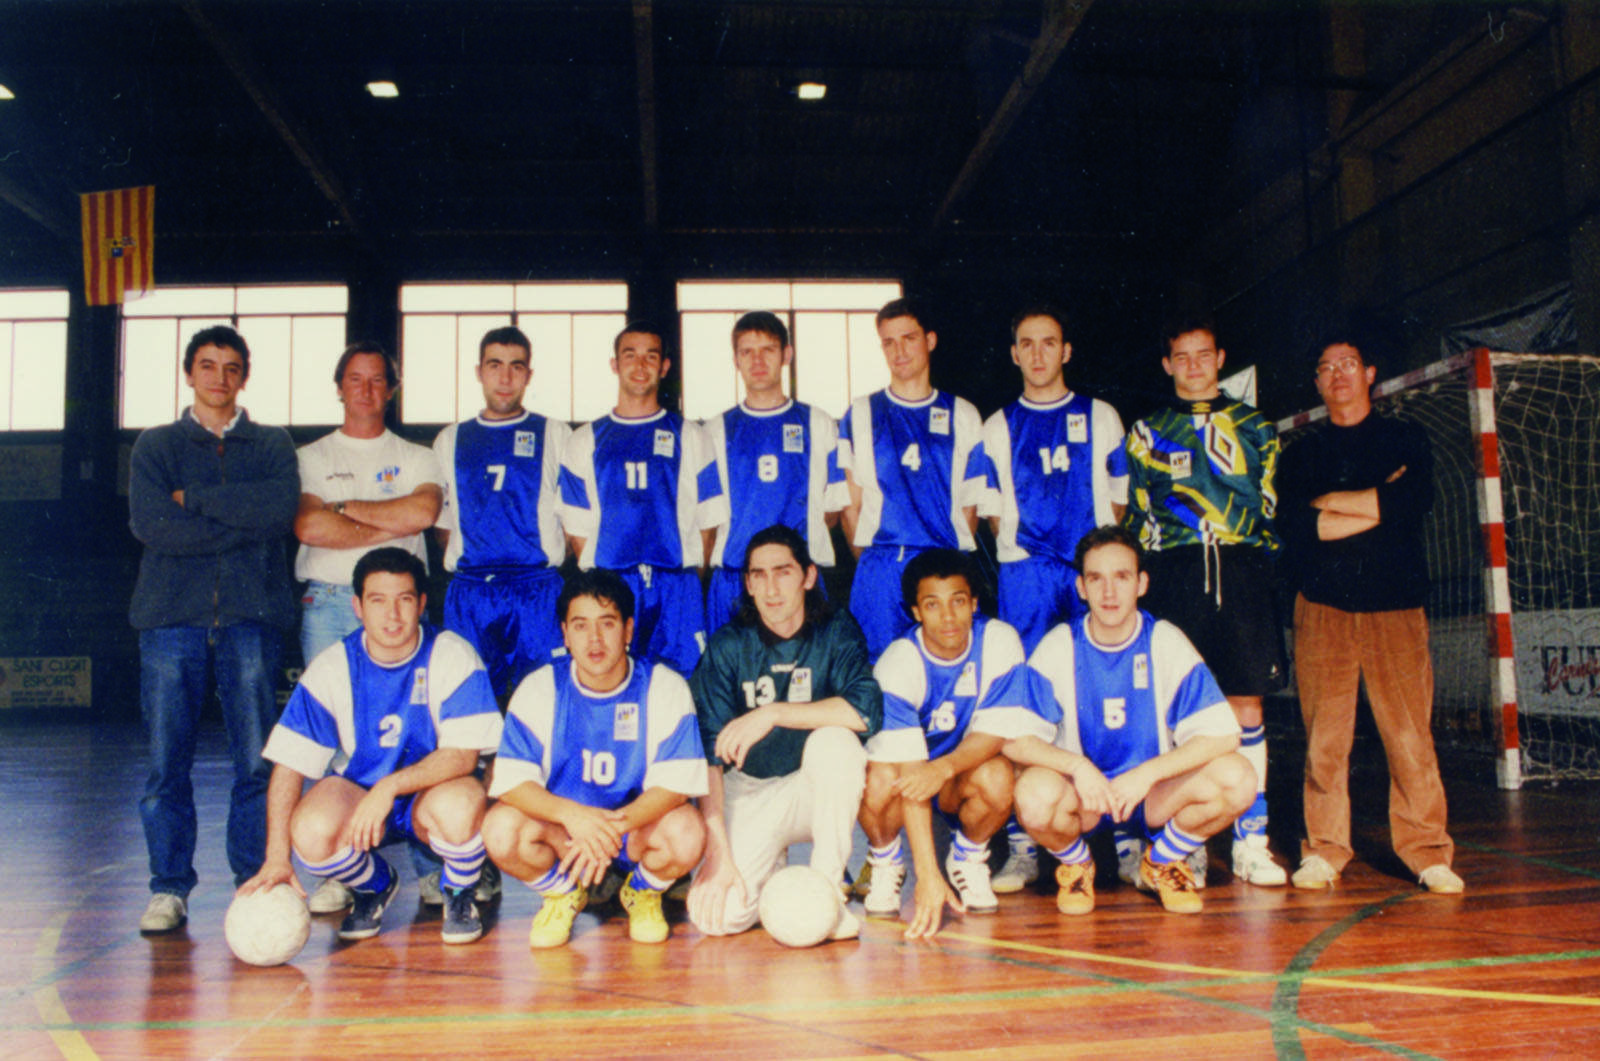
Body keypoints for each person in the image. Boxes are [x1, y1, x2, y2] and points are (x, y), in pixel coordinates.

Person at [238, 548, 503, 945]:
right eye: (378, 601)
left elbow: (463, 756)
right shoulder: (333, 666)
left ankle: (460, 893)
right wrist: (277, 857)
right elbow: (288, 766)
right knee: (309, 830)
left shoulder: (452, 654)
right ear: (357, 606)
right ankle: (374, 886)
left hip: (431, 794)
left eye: (404, 600)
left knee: (463, 807)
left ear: (422, 604)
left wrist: (390, 787)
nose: (392, 616)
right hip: (361, 799)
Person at [128, 325, 299, 933]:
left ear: (244, 376)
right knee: (164, 762)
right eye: (208, 365)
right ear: (189, 373)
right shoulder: (155, 445)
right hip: (171, 624)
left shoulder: (273, 444)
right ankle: (169, 887)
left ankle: (253, 881)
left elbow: (278, 514)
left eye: (231, 367)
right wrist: (239, 520)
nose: (219, 378)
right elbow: (155, 527)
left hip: (251, 623)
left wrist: (193, 498)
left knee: (256, 763)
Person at [1276, 339, 1461, 894]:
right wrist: (1379, 501)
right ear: (1317, 382)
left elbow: (1412, 504)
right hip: (1323, 611)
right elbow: (1301, 528)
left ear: (1370, 373)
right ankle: (1324, 850)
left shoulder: (1405, 438)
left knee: (1409, 737)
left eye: (1349, 364)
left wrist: (1333, 502)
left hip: (1397, 610)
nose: (1338, 374)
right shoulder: (1301, 455)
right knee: (1324, 740)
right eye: (1326, 366)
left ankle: (1427, 851)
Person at [1113, 317, 1287, 888]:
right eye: (1180, 357)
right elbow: (1136, 515)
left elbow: (1268, 506)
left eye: (1202, 355)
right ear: (1167, 365)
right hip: (1175, 574)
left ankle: (1251, 842)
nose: (1192, 366)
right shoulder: (1145, 433)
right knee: (1175, 709)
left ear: (1220, 359)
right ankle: (1176, 843)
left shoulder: (1257, 427)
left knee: (1246, 707)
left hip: (1239, 573)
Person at [1007, 526, 1256, 915]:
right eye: (1096, 579)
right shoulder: (1059, 645)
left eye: (1121, 577)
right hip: (1086, 796)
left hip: (1151, 796)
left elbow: (1223, 736)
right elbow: (1015, 741)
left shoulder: (1165, 641)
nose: (1109, 592)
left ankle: (1161, 861)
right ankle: (1075, 865)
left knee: (1238, 778)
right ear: (1081, 587)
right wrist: (1077, 766)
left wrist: (1146, 774)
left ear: (1141, 583)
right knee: (1032, 795)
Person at [292, 340, 448, 914]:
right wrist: (381, 522)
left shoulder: (417, 455)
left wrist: (343, 512)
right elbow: (309, 526)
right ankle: (339, 865)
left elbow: (422, 515)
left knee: (420, 731)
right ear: (339, 387)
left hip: (398, 604)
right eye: (355, 379)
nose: (366, 389)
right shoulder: (310, 455)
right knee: (328, 736)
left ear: (392, 389)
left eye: (378, 379)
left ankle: (436, 867)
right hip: (330, 602)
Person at [980, 304, 1126, 892]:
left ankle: (1126, 836)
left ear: (1066, 351)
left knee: (1108, 689)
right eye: (1026, 344)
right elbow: (988, 516)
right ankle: (1023, 844)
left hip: (1086, 570)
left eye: (1049, 343)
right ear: (1014, 353)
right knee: (1027, 705)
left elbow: (1117, 503)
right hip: (1027, 576)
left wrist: (1087, 562)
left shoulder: (1102, 417)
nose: (1038, 354)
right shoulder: (997, 426)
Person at [482, 570, 709, 948]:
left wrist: (605, 829)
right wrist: (576, 818)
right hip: (567, 836)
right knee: (501, 829)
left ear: (629, 629)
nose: (595, 640)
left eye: (607, 624)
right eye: (581, 626)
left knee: (687, 833)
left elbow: (675, 789)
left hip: (635, 831)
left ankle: (642, 891)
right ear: (564, 634)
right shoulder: (540, 688)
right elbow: (512, 784)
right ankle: (562, 892)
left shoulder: (663, 686)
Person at [687, 524, 882, 940]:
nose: (771, 588)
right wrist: (718, 850)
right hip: (749, 789)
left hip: (812, 790)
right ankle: (770, 869)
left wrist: (773, 713)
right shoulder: (729, 646)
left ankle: (827, 889)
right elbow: (709, 758)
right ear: (748, 584)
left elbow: (865, 712)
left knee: (837, 743)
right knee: (717, 919)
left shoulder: (835, 629)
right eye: (759, 575)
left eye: (783, 572)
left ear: (809, 577)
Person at [858, 549, 1055, 938]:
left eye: (958, 602)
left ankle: (967, 855)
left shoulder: (998, 640)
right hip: (907, 781)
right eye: (933, 605)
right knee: (874, 780)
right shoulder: (898, 663)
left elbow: (994, 733)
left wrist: (944, 767)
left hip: (956, 777)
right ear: (916, 611)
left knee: (999, 776)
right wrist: (926, 875)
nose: (948, 617)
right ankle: (886, 860)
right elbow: (911, 772)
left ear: (974, 604)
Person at [558, 322, 728, 675]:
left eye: (650, 357)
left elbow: (708, 523)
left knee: (682, 684)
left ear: (664, 367)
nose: (640, 366)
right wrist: (607, 583)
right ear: (614, 364)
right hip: (612, 584)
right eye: (629, 356)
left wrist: (682, 581)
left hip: (675, 585)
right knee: (611, 679)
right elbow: (576, 531)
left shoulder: (692, 436)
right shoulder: (584, 439)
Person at [838, 299, 989, 658]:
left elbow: (970, 509)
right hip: (882, 565)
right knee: (879, 672)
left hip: (941, 565)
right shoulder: (860, 412)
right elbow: (851, 507)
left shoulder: (963, 414)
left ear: (930, 340)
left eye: (908, 338)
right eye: (888, 342)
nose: (899, 351)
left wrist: (948, 565)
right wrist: (879, 564)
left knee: (949, 669)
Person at [433, 325, 569, 699]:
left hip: (536, 589)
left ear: (529, 374)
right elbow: (444, 525)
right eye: (495, 365)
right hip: (473, 590)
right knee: (470, 704)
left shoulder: (556, 434)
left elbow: (572, 518)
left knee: (545, 699)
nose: (505, 377)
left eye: (516, 366)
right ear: (479, 371)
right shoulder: (450, 439)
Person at [704, 312, 847, 634]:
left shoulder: (818, 423)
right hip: (735, 578)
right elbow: (706, 519)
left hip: (799, 579)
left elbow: (832, 511)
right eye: (747, 352)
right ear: (735, 360)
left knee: (805, 679)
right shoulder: (715, 430)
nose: (757, 360)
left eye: (767, 349)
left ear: (787, 354)